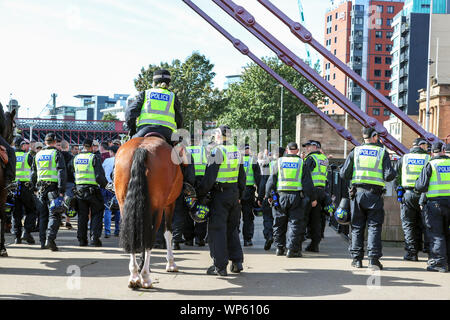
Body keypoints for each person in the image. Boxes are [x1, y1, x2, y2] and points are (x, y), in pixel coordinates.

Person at [340, 128, 396, 270]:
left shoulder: (356, 151)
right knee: (374, 227)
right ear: (375, 137)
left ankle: (357, 259)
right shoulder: (382, 152)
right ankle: (373, 260)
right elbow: (389, 175)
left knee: (357, 227)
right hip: (374, 195)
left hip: (357, 194)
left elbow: (344, 174)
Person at [197, 125, 246, 276]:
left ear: (219, 135)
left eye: (215, 133)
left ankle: (220, 266)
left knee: (217, 230)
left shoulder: (217, 151)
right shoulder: (236, 151)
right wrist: (239, 196)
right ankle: (237, 262)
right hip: (234, 194)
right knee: (232, 229)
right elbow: (242, 177)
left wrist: (199, 194)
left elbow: (209, 178)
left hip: (220, 195)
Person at [265, 142, 314, 258]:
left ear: (287, 150)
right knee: (295, 224)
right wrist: (311, 198)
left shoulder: (279, 162)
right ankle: (291, 250)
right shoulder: (301, 163)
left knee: (279, 222)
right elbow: (307, 184)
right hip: (296, 197)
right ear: (297, 151)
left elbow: (271, 180)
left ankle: (279, 248)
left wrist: (268, 196)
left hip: (280, 196)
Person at [415, 142, 450, 272]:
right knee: (447, 233)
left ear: (432, 152)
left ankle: (439, 263)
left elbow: (420, 186)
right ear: (443, 150)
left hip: (435, 204)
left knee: (437, 234)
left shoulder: (430, 164)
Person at [395, 137, 431, 261]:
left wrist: (399, 191)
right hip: (424, 195)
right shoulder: (428, 159)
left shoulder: (404, 158)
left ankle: (411, 253)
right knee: (426, 224)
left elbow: (396, 176)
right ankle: (430, 252)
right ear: (422, 145)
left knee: (408, 225)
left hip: (407, 194)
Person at [125, 69, 183, 144]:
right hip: (167, 132)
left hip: (144, 130)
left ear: (154, 82)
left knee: (128, 148)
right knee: (182, 153)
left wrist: (132, 130)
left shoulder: (145, 94)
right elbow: (179, 118)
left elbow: (130, 112)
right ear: (169, 83)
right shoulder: (173, 96)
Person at [31, 133, 67, 251]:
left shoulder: (38, 154)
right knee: (55, 214)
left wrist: (34, 188)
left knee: (43, 216)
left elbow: (33, 173)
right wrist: (62, 190)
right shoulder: (56, 153)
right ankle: (50, 239)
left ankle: (42, 242)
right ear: (55, 141)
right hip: (53, 188)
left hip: (41, 189)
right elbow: (61, 171)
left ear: (45, 142)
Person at [69, 139, 108, 247]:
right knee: (97, 213)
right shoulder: (94, 157)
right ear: (91, 147)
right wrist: (108, 187)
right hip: (93, 191)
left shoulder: (76, 158)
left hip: (79, 191)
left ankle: (82, 240)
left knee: (82, 216)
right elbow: (99, 176)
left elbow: (70, 171)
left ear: (83, 146)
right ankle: (95, 238)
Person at [302, 140, 332, 252]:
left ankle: (297, 242)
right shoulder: (324, 159)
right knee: (317, 219)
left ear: (315, 147)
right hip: (322, 190)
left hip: (311, 191)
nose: (307, 149)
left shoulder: (311, 158)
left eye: (308, 146)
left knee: (303, 217)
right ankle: (315, 244)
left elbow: (306, 176)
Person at [184, 135, 208, 247]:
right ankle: (199, 238)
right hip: (202, 182)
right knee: (201, 209)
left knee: (188, 210)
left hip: (188, 184)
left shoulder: (185, 150)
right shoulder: (203, 150)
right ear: (198, 141)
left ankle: (188, 239)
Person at [260, 146, 285, 251]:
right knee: (280, 220)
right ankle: (279, 241)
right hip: (281, 195)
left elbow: (263, 182)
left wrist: (261, 196)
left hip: (269, 194)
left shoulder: (268, 164)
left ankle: (269, 236)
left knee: (267, 218)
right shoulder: (285, 164)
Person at [11, 138, 36, 245]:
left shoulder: (11, 156)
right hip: (26, 187)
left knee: (16, 213)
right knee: (32, 210)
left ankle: (17, 237)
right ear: (22, 146)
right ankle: (26, 232)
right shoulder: (27, 156)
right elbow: (35, 171)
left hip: (13, 188)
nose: (27, 146)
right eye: (26, 144)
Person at [240, 144, 261, 247]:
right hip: (248, 191)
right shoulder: (253, 160)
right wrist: (260, 195)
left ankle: (233, 237)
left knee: (233, 216)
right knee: (248, 217)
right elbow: (258, 178)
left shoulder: (235, 159)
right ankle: (247, 239)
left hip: (236, 191)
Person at [102, 145, 120, 238]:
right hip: (118, 187)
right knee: (118, 210)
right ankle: (117, 230)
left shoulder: (106, 161)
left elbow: (102, 172)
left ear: (111, 152)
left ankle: (107, 232)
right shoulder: (121, 160)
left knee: (107, 210)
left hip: (108, 187)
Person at [60, 139, 74, 230]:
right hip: (70, 181)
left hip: (60, 181)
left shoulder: (58, 155)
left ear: (60, 147)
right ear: (68, 147)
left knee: (59, 201)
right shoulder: (72, 157)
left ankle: (59, 219)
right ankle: (68, 222)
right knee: (69, 202)